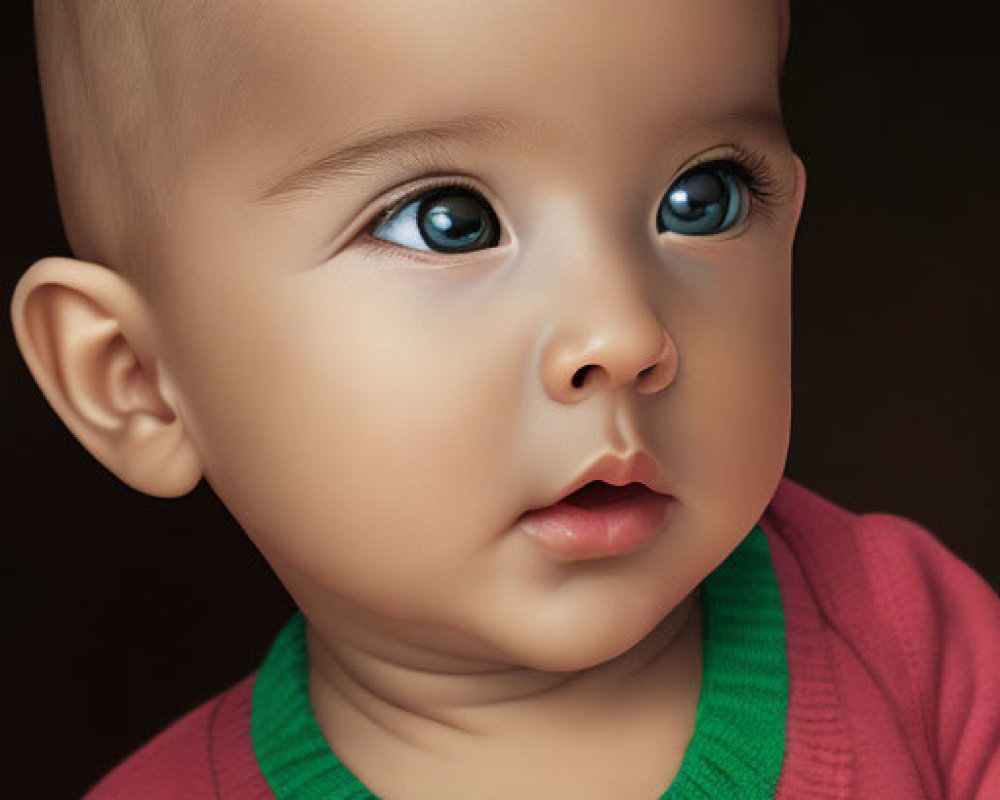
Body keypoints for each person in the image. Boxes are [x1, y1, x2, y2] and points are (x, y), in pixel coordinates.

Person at [10, 0, 998, 797]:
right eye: (448, 222)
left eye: (703, 198)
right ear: (137, 382)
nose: (621, 332)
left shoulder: (919, 648)